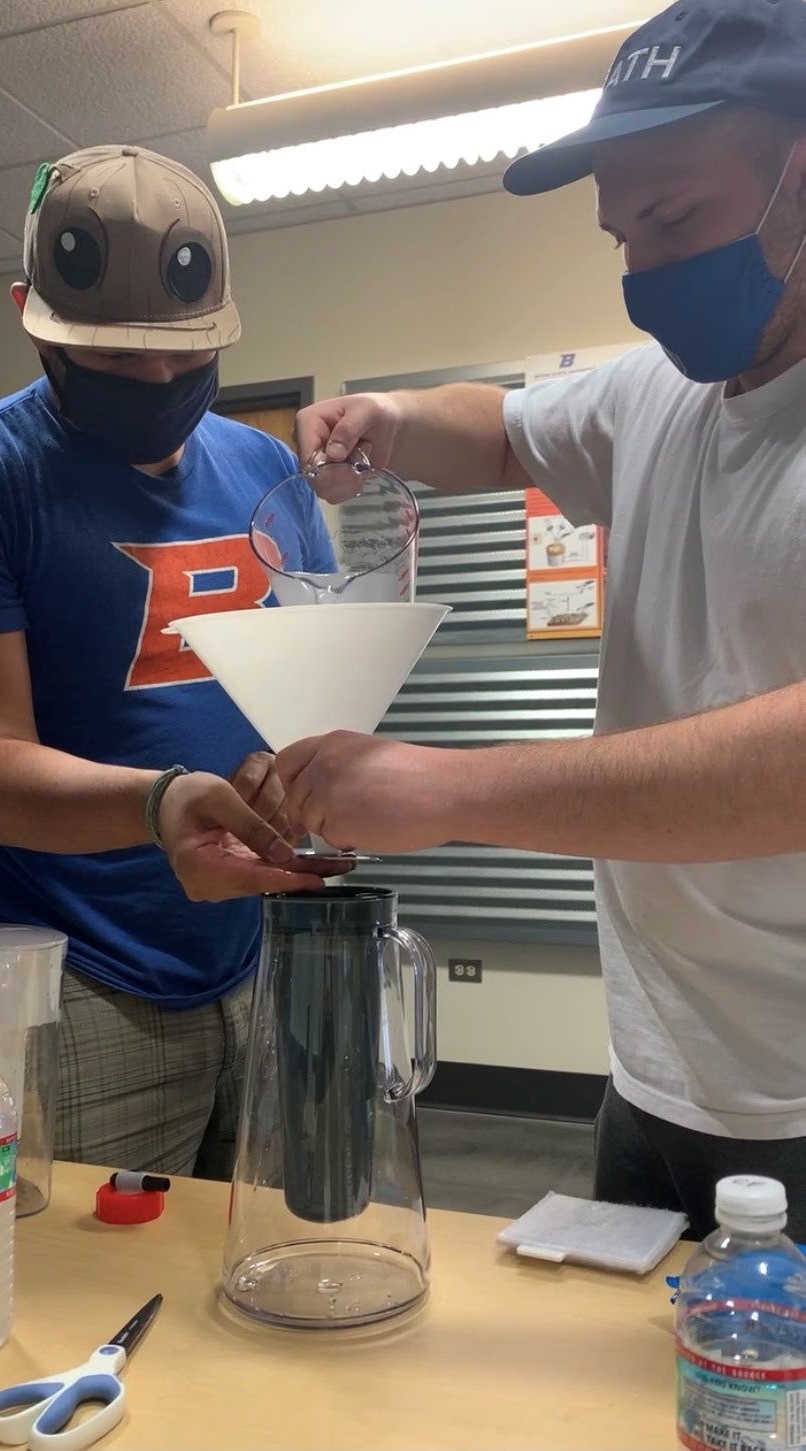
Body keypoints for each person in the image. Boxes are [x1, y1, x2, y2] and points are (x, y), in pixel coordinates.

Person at [285, 0, 806, 1239]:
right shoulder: (660, 395)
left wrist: (449, 792)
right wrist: (392, 417)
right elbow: (505, 425)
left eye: (675, 218)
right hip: (656, 1069)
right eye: (622, 235)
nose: (643, 276)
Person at [0, 144, 343, 1179]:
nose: (156, 379)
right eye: (118, 358)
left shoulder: (267, 470)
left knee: (252, 1284)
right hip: (76, 969)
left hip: (253, 953)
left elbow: (309, 691)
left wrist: (298, 770)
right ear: (29, 313)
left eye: (182, 357)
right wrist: (164, 801)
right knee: (80, 1310)